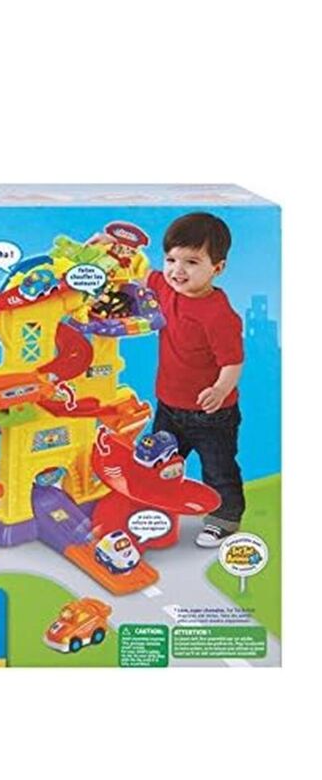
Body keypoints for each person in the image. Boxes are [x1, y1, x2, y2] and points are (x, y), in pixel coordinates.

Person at [146, 212, 244, 546]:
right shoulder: (165, 287)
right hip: (169, 407)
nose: (177, 270)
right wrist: (110, 245)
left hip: (211, 416)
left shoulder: (218, 315)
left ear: (217, 268)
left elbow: (233, 361)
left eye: (191, 262)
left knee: (218, 469)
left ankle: (224, 519)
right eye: (171, 259)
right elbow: (139, 271)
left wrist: (220, 389)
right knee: (156, 461)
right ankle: (155, 509)